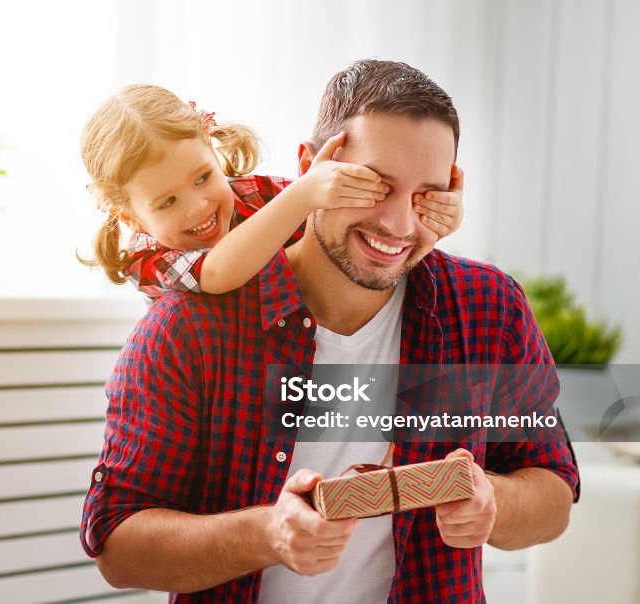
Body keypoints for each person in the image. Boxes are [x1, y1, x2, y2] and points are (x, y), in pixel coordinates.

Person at [80, 60, 580, 603]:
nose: (399, 225)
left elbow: (553, 491)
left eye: (426, 196)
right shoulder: (185, 330)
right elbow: (117, 545)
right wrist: (266, 533)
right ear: (310, 170)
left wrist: (492, 502)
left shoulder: (489, 307)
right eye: (372, 186)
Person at [80, 84, 463, 300]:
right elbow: (215, 273)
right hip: (220, 369)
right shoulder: (147, 257)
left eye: (202, 177)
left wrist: (430, 210)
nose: (198, 205)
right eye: (167, 202)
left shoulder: (253, 195)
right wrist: (302, 195)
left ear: (213, 150)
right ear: (130, 216)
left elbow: (335, 218)